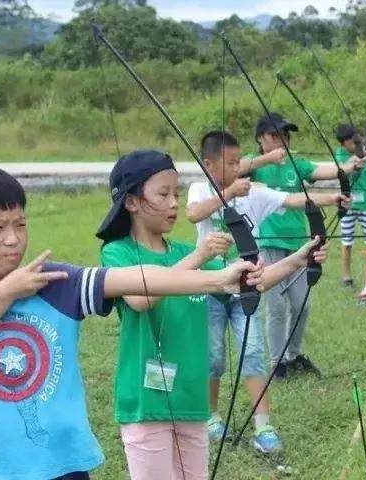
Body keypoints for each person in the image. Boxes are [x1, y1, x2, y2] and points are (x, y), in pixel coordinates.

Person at [0, 164, 268, 480]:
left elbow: (137, 279)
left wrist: (219, 280)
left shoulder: (56, 282)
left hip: (65, 466)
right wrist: (3, 295)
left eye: (21, 225)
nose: (14, 239)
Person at [96, 150, 330, 479]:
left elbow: (246, 283)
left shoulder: (182, 253)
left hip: (193, 401)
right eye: (162, 194)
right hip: (146, 405)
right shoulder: (117, 252)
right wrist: (201, 255)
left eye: (175, 193)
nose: (174, 203)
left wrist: (299, 259)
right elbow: (140, 297)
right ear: (131, 202)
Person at [186, 132, 345, 453]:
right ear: (208, 164)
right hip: (211, 287)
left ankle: (263, 425)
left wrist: (331, 199)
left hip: (247, 288)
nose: (238, 168)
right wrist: (228, 192)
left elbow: (292, 200)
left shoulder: (253, 193)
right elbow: (193, 214)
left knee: (254, 352)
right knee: (214, 357)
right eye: (230, 163)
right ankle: (212, 416)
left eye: (239, 162)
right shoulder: (201, 189)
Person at [244, 112, 364, 379]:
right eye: (275, 136)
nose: (282, 141)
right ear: (260, 138)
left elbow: (325, 170)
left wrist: (351, 165)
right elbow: (233, 168)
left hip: (298, 244)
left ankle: (293, 355)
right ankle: (277, 364)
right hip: (268, 244)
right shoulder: (254, 166)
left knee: (302, 304)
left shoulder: (296, 163)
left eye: (285, 136)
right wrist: (266, 158)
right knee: (275, 307)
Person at [334, 124, 366, 305]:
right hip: (348, 205)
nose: (355, 145)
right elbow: (343, 170)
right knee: (347, 241)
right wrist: (356, 161)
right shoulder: (340, 155)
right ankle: (346, 276)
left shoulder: (364, 151)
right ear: (343, 143)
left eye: (357, 141)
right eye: (352, 142)